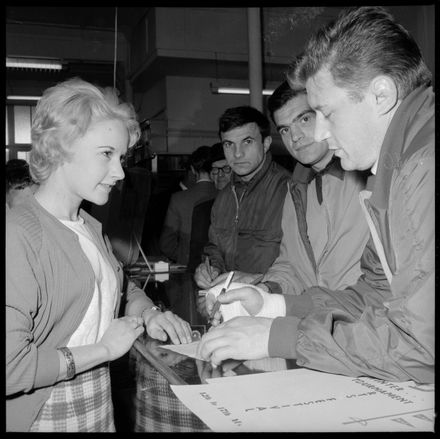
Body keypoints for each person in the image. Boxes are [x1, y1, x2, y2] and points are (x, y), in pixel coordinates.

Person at [197, 6, 434, 384]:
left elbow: (422, 348)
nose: (318, 134)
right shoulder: (390, 172)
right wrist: (272, 305)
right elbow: (374, 294)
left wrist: (279, 336)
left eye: (325, 113)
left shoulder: (423, 168)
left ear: (381, 94)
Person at [6, 77, 193, 432]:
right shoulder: (18, 234)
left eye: (121, 157)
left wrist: (149, 313)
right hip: (43, 413)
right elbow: (9, 368)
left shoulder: (89, 226)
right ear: (61, 148)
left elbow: (118, 289)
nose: (120, 172)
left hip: (95, 398)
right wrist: (104, 351)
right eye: (106, 154)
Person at [252, 79, 370, 295]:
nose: (295, 137)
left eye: (304, 119)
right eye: (285, 130)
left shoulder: (369, 175)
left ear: (325, 115)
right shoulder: (294, 191)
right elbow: (291, 266)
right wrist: (266, 290)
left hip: (365, 319)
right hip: (319, 319)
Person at [194, 106, 290, 289]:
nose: (237, 154)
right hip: (231, 303)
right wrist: (210, 268)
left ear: (266, 143)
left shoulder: (288, 190)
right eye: (229, 144)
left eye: (247, 142)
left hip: (273, 305)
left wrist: (258, 280)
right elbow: (214, 247)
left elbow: (300, 265)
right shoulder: (224, 197)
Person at [159, 145, 218, 265]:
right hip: (219, 268)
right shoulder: (225, 196)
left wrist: (184, 256)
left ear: (192, 169)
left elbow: (166, 244)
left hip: (188, 267)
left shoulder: (178, 199)